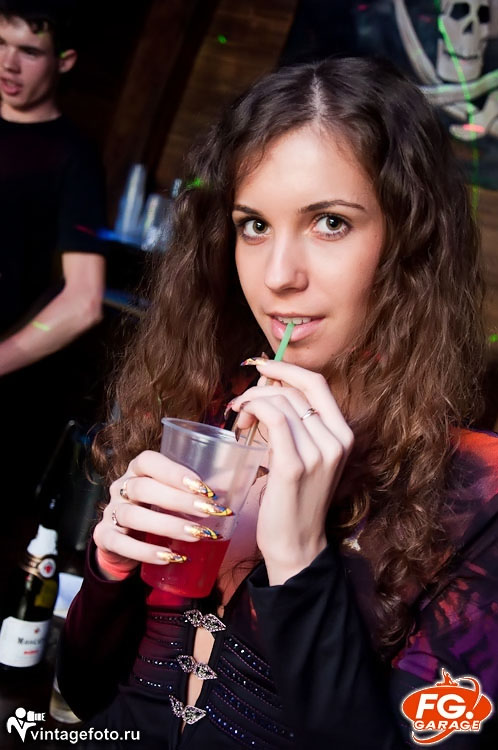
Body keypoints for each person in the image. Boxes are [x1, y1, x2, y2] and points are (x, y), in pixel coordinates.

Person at [57, 57, 498, 749]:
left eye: (330, 222)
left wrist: (298, 559)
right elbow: (86, 697)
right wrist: (110, 571)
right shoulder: (208, 415)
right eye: (254, 225)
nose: (278, 276)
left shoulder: (479, 496)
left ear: (409, 241)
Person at [0, 1, 106, 532]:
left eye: (29, 51)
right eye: (0, 44)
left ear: (64, 61)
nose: (8, 63)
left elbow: (83, 301)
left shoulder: (74, 159)